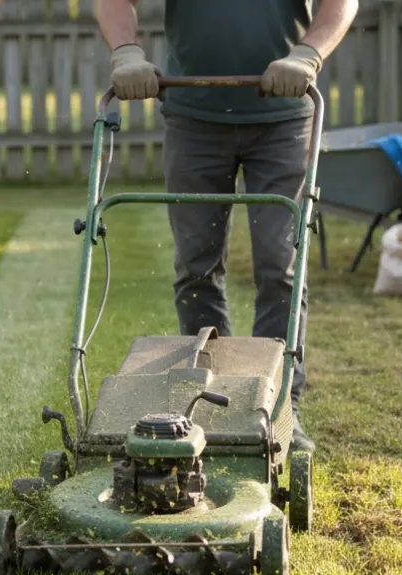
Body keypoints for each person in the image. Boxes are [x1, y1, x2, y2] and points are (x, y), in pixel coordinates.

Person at [95, 0, 358, 453]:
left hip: (283, 118)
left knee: (280, 267)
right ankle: (211, 407)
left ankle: (277, 411)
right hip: (193, 117)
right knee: (196, 266)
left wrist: (307, 54)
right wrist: (126, 51)